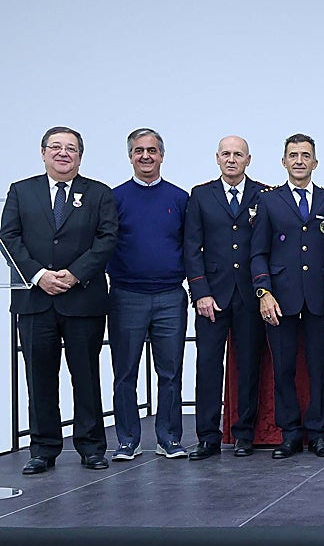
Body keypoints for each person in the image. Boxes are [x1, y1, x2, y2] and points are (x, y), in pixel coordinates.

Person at [2, 127, 117, 475]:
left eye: (71, 148)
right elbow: (8, 236)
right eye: (56, 147)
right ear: (43, 152)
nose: (63, 153)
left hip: (83, 300)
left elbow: (107, 238)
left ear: (80, 156)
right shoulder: (21, 192)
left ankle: (92, 447)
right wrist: (39, 275)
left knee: (85, 375)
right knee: (39, 377)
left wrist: (73, 274)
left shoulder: (99, 194)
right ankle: (43, 448)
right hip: (35, 301)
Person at [250, 134, 324, 459]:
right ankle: (289, 433)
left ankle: (318, 433)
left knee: (319, 369)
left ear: (315, 163)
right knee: (284, 369)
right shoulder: (269, 202)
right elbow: (258, 252)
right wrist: (263, 292)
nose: (299, 161)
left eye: (305, 155)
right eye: (293, 155)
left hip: (319, 301)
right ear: (284, 162)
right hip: (280, 300)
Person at [107, 128, 191, 461]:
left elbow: (189, 245)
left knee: (170, 372)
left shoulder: (179, 198)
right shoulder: (115, 198)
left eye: (152, 150)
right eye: (139, 150)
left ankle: (169, 438)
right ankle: (127, 439)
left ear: (162, 155)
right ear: (130, 156)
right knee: (124, 372)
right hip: (127, 295)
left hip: (171, 295)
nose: (146, 156)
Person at [183, 135, 267, 459]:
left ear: (248, 160)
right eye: (226, 154)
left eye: (238, 154)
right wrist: (200, 292)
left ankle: (244, 433)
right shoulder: (201, 195)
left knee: (248, 366)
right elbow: (192, 248)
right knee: (207, 365)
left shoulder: (263, 194)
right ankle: (207, 436)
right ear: (217, 158)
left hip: (249, 294)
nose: (232, 159)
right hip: (212, 297)